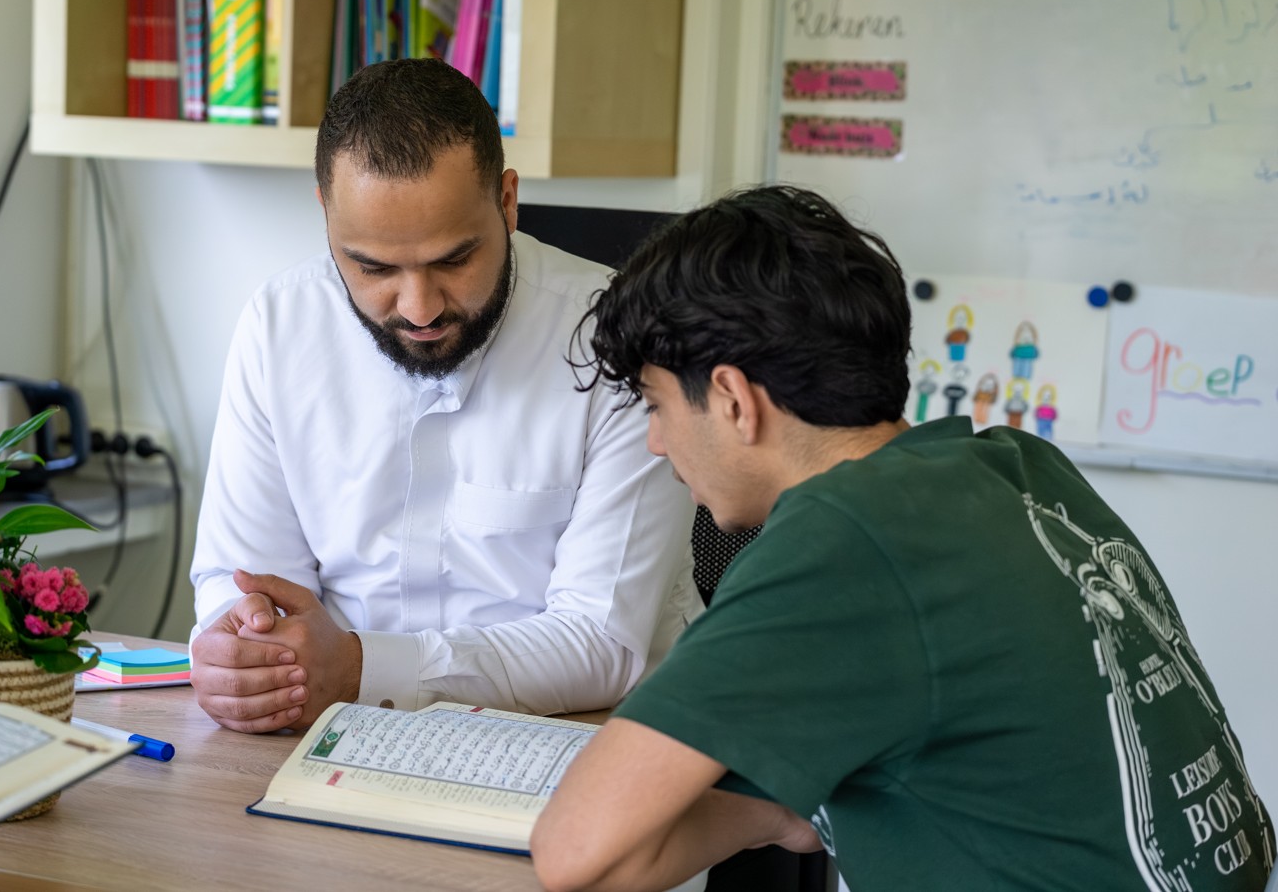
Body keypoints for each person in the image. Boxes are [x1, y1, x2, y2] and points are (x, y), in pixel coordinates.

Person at [530, 185, 1273, 891]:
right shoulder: (1020, 468)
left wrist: (764, 813)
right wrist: (780, 811)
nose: (657, 442)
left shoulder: (844, 538)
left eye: (657, 405)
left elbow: (576, 854)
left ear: (731, 399)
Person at [188, 58, 699, 734]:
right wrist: (245, 642)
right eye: (372, 267)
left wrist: (362, 667)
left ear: (508, 202)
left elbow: (602, 643)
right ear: (325, 213)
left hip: (585, 739)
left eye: (454, 260)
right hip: (333, 731)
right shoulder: (280, 326)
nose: (419, 307)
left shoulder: (618, 338)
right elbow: (240, 576)